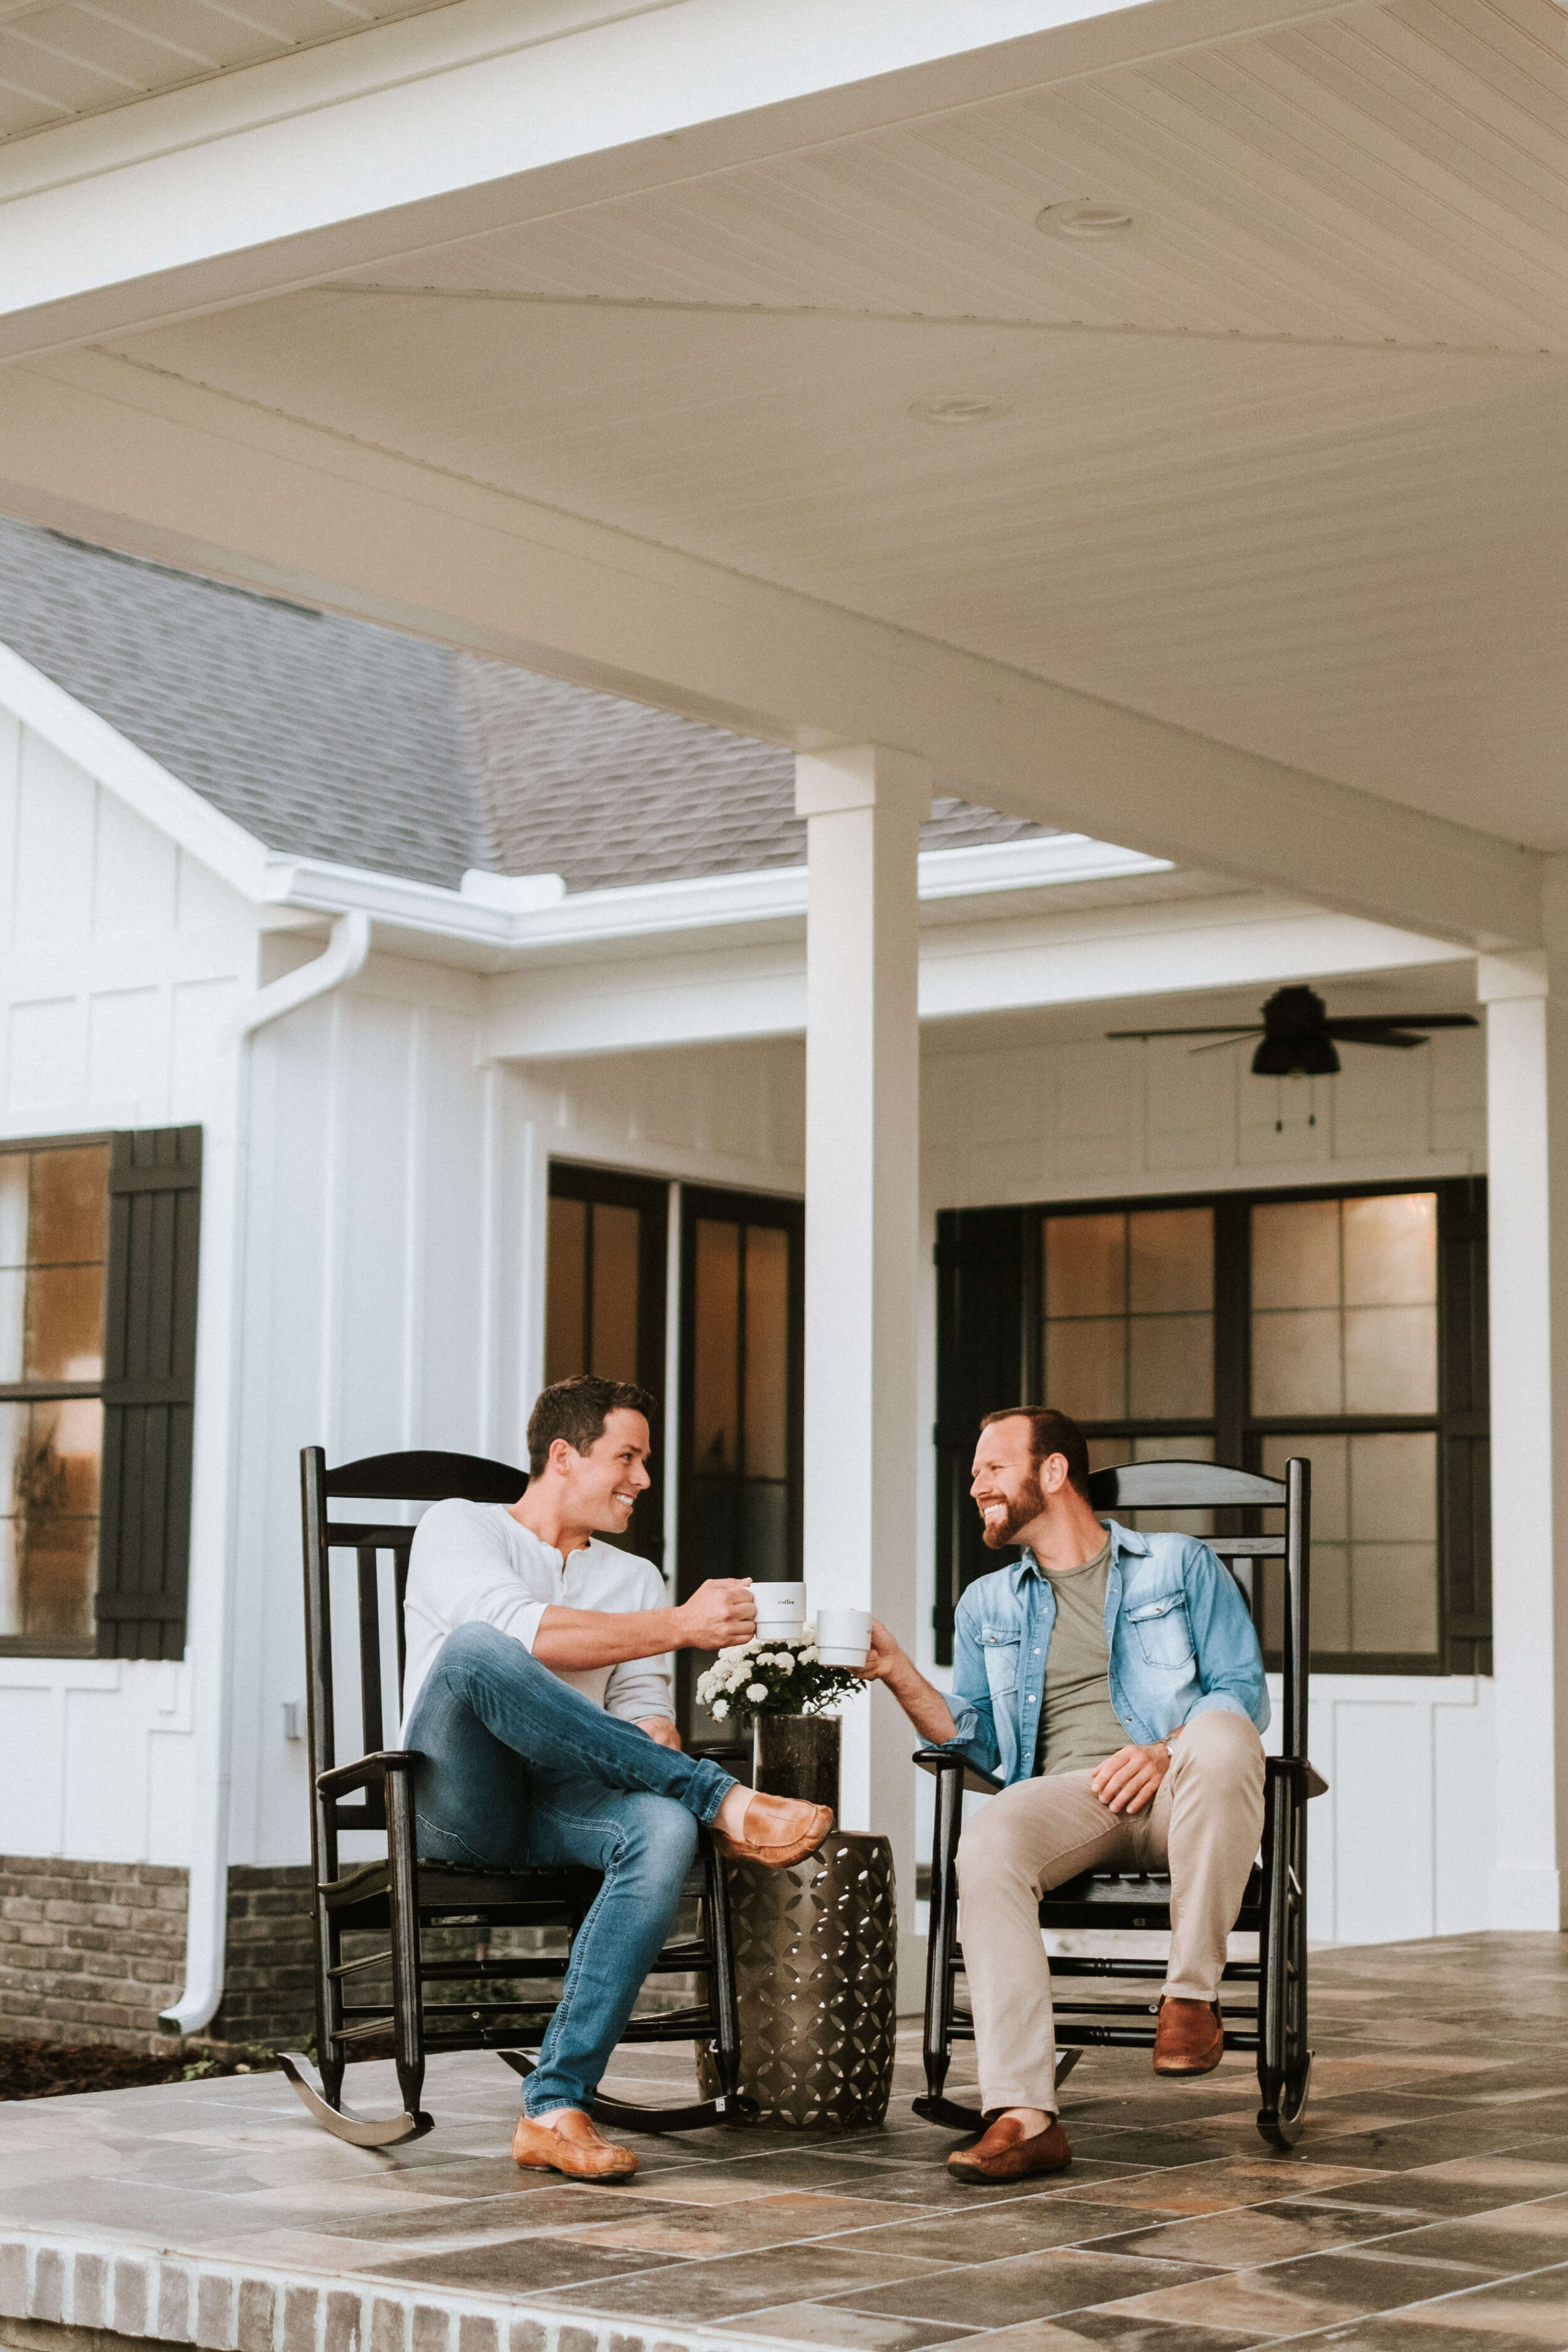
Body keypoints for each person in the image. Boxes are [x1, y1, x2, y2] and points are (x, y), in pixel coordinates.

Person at [400, 1372, 832, 2181]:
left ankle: (557, 2105)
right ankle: (722, 1800)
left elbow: (641, 1712)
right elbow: (515, 1632)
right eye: (626, 1458)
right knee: (478, 1649)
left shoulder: (634, 1579)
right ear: (563, 1456)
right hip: (458, 1796)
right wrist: (681, 1627)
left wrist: (658, 1741)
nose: (641, 1478)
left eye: (644, 1460)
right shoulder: (458, 1527)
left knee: (665, 1825)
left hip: (567, 1800)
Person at [857, 1405, 1268, 2185]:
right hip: (1072, 1799)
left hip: (1190, 1781)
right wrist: (899, 1671)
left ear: (1053, 1473)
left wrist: (1163, 1748)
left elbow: (1241, 1693)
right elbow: (977, 1746)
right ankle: (1022, 2113)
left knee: (1219, 1733)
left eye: (992, 1467)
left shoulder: (1177, 1565)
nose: (975, 1483)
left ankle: (1188, 1997)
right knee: (986, 1843)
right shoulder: (988, 1604)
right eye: (974, 1471)